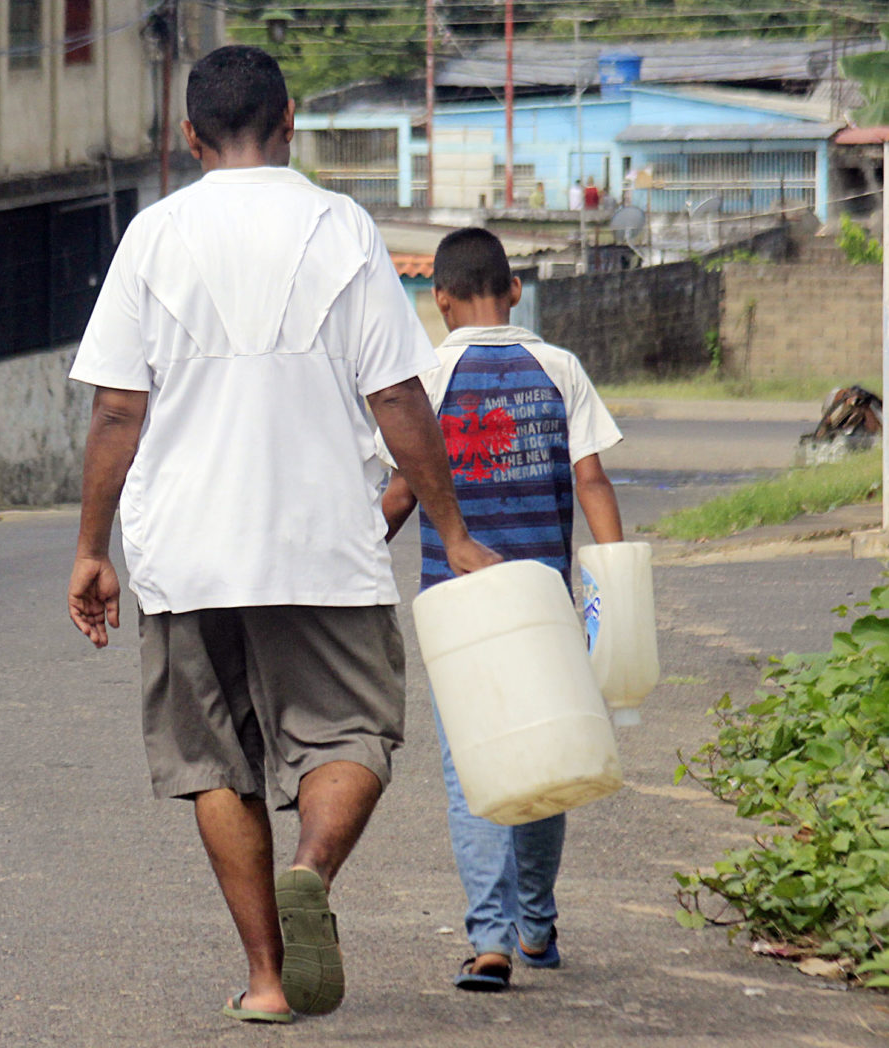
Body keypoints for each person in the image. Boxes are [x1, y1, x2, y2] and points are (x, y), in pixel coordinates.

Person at [66, 46, 499, 1024]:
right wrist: (451, 528)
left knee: (212, 761)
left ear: (187, 136)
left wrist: (92, 549)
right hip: (321, 543)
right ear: (289, 120)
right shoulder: (340, 227)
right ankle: (312, 867)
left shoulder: (153, 237)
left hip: (185, 553)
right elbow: (396, 396)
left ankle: (266, 977)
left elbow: (113, 414)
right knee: (350, 730)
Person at [377, 227, 624, 993]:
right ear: (515, 289)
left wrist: (350, 561)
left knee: (471, 768)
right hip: (544, 602)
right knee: (548, 755)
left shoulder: (425, 377)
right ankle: (537, 922)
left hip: (459, 613)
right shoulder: (559, 368)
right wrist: (613, 586)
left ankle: (489, 939)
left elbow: (398, 494)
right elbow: (591, 482)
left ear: (439, 299)